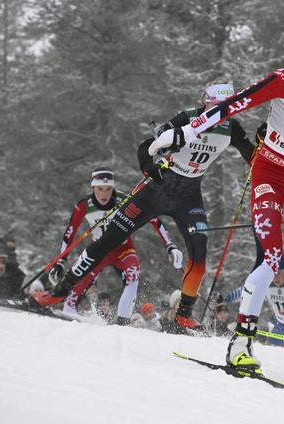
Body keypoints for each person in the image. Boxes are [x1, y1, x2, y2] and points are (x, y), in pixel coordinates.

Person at [145, 24, 284, 376]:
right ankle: (240, 342)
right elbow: (233, 105)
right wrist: (185, 132)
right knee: (271, 257)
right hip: (271, 174)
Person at [36, 79, 255, 334]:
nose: (218, 112)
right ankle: (59, 292)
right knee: (107, 240)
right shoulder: (188, 118)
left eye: (225, 106)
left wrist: (263, 146)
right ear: (204, 101)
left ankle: (183, 314)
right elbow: (145, 146)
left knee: (199, 252)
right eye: (214, 105)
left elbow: (253, 156)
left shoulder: (232, 128)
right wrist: (147, 166)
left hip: (189, 196)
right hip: (157, 188)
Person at [44, 167, 181, 324]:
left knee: (133, 276)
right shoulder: (83, 206)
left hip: (124, 249)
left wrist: (170, 244)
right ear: (93, 187)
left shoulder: (125, 201)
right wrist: (60, 261)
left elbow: (154, 220)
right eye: (100, 189)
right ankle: (67, 312)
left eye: (108, 189)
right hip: (99, 250)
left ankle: (122, 320)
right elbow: (69, 233)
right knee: (77, 280)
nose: (104, 194)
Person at [219, 252, 284, 346]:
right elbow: (246, 290)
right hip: (280, 326)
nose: (275, 277)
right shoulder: (266, 282)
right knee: (271, 351)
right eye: (273, 272)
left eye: (279, 272)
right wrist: (225, 299)